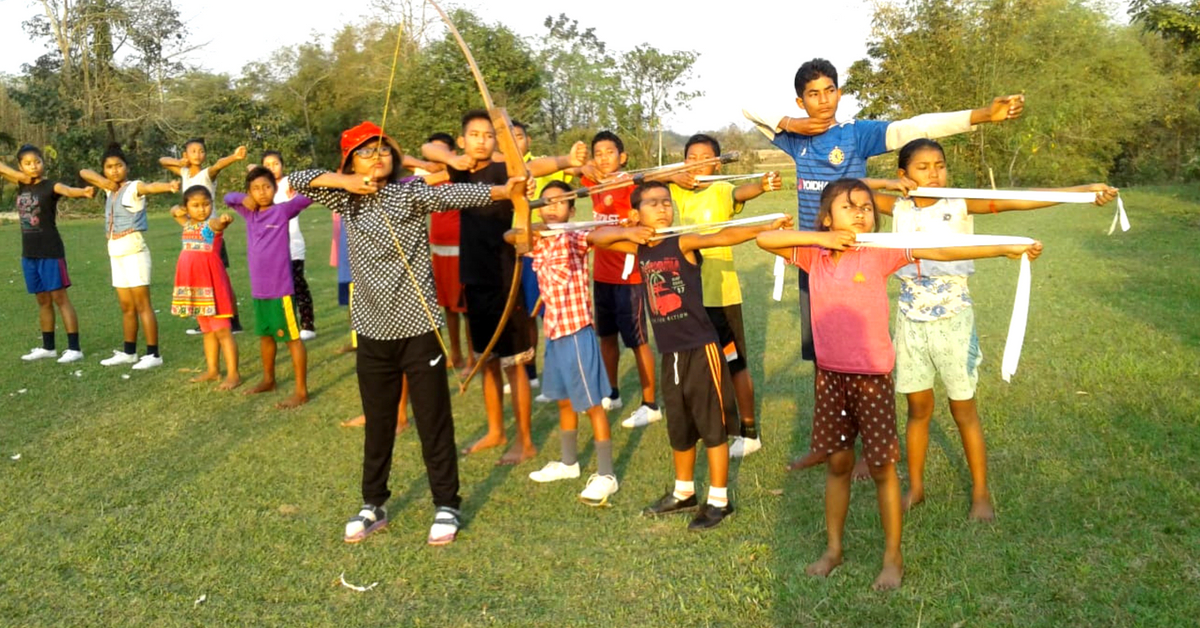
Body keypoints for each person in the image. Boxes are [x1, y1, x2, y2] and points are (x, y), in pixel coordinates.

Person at [756, 178, 1043, 590]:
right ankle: (833, 549)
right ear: (826, 217)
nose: (860, 213)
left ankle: (893, 557)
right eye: (848, 207)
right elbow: (766, 239)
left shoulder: (880, 252)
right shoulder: (812, 255)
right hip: (830, 378)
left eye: (867, 207)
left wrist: (1007, 247)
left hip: (872, 378)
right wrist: (824, 238)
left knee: (881, 468)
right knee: (838, 465)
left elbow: (942, 250)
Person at [289, 121, 524, 545]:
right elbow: (296, 178)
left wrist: (507, 191)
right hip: (372, 330)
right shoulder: (345, 200)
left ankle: (446, 503)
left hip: (418, 327)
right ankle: (372, 504)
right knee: (379, 422)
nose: (376, 157)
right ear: (349, 161)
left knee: (434, 420)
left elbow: (457, 194)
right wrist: (351, 182)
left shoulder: (408, 192)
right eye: (365, 152)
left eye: (382, 149)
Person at [862, 138, 1118, 520]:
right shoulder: (893, 206)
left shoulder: (960, 203)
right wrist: (885, 185)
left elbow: (1020, 199)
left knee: (963, 409)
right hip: (910, 324)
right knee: (917, 409)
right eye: (922, 167)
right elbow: (848, 189)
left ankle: (981, 491)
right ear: (904, 175)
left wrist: (1081, 192)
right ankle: (915, 487)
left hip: (954, 321)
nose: (934, 173)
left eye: (940, 165)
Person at [589, 182, 792, 531]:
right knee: (680, 426)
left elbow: (723, 236)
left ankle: (719, 500)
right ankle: (684, 492)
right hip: (671, 353)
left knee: (711, 425)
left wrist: (765, 227)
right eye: (652, 203)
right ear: (636, 213)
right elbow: (597, 238)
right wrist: (630, 229)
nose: (663, 207)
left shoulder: (682, 241)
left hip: (702, 350)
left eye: (666, 202)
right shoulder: (639, 247)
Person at [421, 110, 586, 466]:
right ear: (463, 139)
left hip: (503, 273)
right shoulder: (459, 167)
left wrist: (566, 160)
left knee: (515, 362)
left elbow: (538, 167)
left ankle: (524, 441)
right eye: (474, 134)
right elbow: (425, 149)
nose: (482, 140)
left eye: (488, 134)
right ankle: (496, 430)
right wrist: (452, 157)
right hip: (474, 272)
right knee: (486, 359)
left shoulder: (505, 168)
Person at [668, 133, 783, 457]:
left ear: (717, 164)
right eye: (690, 157)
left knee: (734, 362)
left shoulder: (721, 190)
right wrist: (674, 174)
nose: (696, 164)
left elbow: (742, 191)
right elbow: (646, 183)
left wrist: (761, 185)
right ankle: (712, 425)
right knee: (700, 366)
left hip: (721, 295)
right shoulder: (676, 190)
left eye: (705, 158)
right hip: (688, 294)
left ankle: (748, 433)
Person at [509, 181, 618, 505]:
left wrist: (623, 228)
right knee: (564, 401)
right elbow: (511, 237)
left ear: (572, 210)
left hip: (576, 333)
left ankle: (607, 474)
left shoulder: (575, 237)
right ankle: (569, 463)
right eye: (546, 202)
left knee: (591, 405)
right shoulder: (539, 241)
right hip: (554, 333)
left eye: (560, 202)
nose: (552, 207)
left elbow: (599, 236)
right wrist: (527, 215)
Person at [580, 131, 660, 428]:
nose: (603, 158)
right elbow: (578, 169)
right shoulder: (593, 183)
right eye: (598, 153)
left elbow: (651, 210)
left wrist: (636, 219)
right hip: (602, 274)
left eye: (609, 152)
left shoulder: (632, 184)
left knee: (637, 340)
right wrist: (584, 167)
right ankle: (611, 392)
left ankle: (650, 403)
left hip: (630, 275)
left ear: (622, 156)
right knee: (607, 337)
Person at [79, 145, 179, 369]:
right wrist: (104, 182)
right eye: (109, 167)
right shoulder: (108, 189)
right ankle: (129, 352)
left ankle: (153, 354)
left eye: (118, 166)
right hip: (115, 253)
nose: (114, 171)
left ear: (127, 167)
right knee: (126, 307)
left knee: (143, 304)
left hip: (134, 252)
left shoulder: (134, 187)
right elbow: (84, 172)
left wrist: (168, 186)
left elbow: (150, 187)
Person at [225, 166, 314, 409]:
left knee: (292, 339)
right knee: (265, 336)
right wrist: (243, 198)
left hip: (281, 290)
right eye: (255, 189)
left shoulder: (283, 211)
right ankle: (268, 380)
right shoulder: (248, 212)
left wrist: (313, 180)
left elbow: (309, 197)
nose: (262, 192)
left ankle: (301, 391)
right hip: (259, 290)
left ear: (275, 189)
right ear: (249, 192)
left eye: (266, 187)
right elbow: (227, 197)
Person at [1, 145, 94, 363]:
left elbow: (68, 190)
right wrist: (17, 173)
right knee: (42, 300)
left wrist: (83, 192)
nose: (34, 166)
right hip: (29, 253)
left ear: (43, 162)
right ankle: (48, 347)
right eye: (28, 163)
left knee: (59, 298)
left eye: (38, 161)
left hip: (50, 251)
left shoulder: (50, 185)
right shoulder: (21, 183)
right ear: (21, 166)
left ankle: (74, 348)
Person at [160, 139, 246, 333]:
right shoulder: (183, 173)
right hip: (193, 229)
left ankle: (232, 320)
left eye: (201, 151)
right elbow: (163, 160)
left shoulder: (207, 174)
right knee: (201, 279)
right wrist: (179, 163)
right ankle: (205, 315)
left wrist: (234, 157)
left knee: (221, 278)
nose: (198, 154)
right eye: (193, 151)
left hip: (211, 232)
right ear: (185, 154)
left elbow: (218, 165)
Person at [169, 186, 240, 390]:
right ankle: (212, 370)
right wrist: (177, 209)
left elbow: (219, 224)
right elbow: (173, 211)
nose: (201, 209)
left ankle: (234, 374)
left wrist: (224, 220)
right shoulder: (188, 224)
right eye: (195, 205)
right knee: (207, 330)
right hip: (195, 286)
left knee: (223, 331)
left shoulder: (211, 225)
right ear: (187, 207)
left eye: (206, 204)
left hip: (212, 284)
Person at [422, 132, 474, 372]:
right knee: (447, 307)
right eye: (435, 152)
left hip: (460, 249)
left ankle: (474, 357)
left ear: (453, 153)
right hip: (438, 250)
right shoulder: (428, 178)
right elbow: (407, 158)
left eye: (444, 151)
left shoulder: (460, 174)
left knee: (465, 308)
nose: (439, 157)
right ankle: (456, 354)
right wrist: (428, 165)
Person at [262, 151, 316, 340]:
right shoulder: (262, 188)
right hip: (271, 248)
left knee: (298, 284)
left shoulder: (289, 183)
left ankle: (308, 324)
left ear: (282, 165)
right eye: (267, 164)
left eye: (275, 163)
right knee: (278, 288)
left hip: (292, 244)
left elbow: (308, 188)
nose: (271, 167)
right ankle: (284, 322)